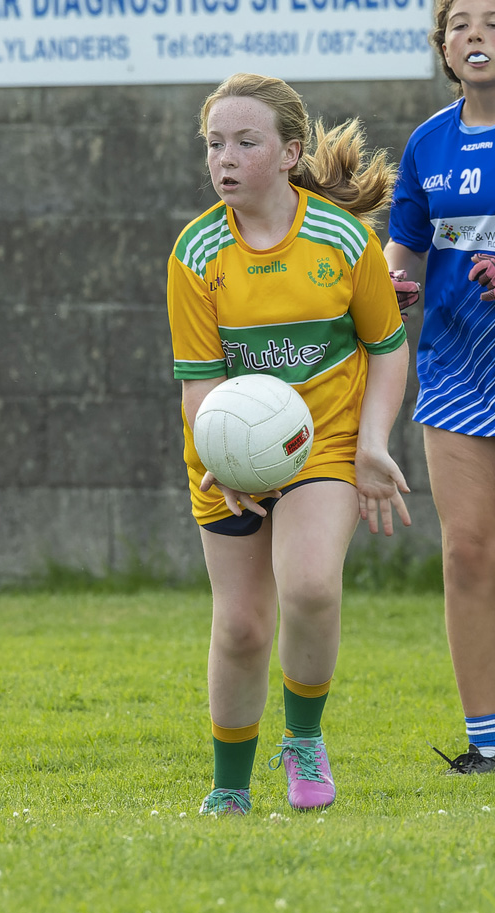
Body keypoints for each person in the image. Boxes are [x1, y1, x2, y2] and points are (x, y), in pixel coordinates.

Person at [167, 72, 411, 816]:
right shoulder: (196, 252)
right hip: (223, 457)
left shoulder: (342, 240)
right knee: (242, 626)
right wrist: (224, 460)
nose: (225, 158)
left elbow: (388, 348)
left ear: (289, 153)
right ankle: (230, 787)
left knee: (308, 585)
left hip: (323, 444)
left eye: (246, 142)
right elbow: (200, 382)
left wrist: (373, 445)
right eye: (214, 144)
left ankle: (303, 738)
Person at [386, 0, 495, 775]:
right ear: (444, 46)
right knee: (466, 551)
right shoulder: (428, 143)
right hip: (457, 370)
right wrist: (392, 287)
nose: (476, 34)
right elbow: (404, 252)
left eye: (494, 20)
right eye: (461, 23)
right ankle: (487, 741)